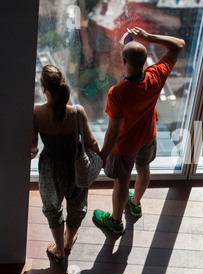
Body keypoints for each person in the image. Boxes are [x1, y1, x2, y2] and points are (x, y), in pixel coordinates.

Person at [93, 27, 185, 235]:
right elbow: (178, 44)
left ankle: (116, 222)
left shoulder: (116, 93)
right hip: (148, 136)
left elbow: (113, 131)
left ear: (124, 62)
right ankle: (134, 204)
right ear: (145, 62)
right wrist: (148, 37)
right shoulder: (156, 75)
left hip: (125, 145)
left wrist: (103, 155)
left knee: (121, 183)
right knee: (144, 170)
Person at [32, 65, 100, 262]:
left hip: (50, 167)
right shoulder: (78, 112)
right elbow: (91, 142)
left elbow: (33, 146)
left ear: (43, 88)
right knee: (77, 206)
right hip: (75, 166)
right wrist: (101, 156)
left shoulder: (36, 113)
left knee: (52, 208)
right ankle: (69, 242)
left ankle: (59, 250)